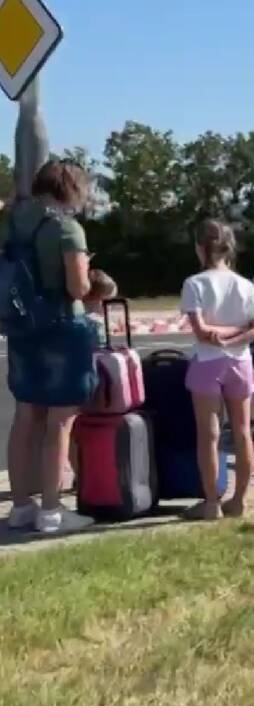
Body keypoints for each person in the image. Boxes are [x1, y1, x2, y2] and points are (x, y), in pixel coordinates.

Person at [4, 161, 98, 534]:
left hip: (21, 327)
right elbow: (77, 288)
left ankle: (20, 505)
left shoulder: (12, 222)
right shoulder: (66, 227)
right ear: (71, 189)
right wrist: (89, 275)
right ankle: (52, 510)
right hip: (61, 328)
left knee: (26, 417)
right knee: (60, 420)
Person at [181, 220, 254, 521]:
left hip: (208, 362)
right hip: (240, 361)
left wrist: (221, 335)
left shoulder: (195, 283)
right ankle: (240, 500)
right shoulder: (244, 284)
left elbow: (201, 331)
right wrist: (237, 333)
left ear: (199, 248)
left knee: (209, 434)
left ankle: (210, 502)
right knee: (243, 432)